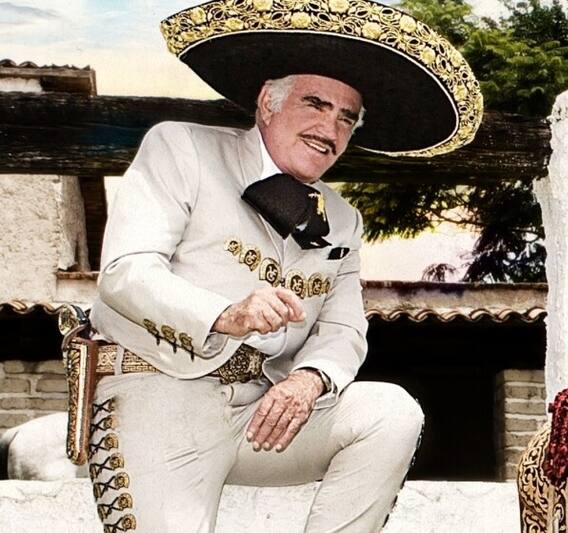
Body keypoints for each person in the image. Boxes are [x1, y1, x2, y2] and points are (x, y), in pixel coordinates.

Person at [80, 1, 483, 532]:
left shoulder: (343, 219)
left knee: (390, 413)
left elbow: (344, 329)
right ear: (267, 102)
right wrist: (226, 314)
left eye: (346, 118)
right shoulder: (183, 147)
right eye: (315, 104)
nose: (330, 128)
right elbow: (125, 273)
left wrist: (310, 379)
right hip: (161, 393)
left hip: (263, 414)